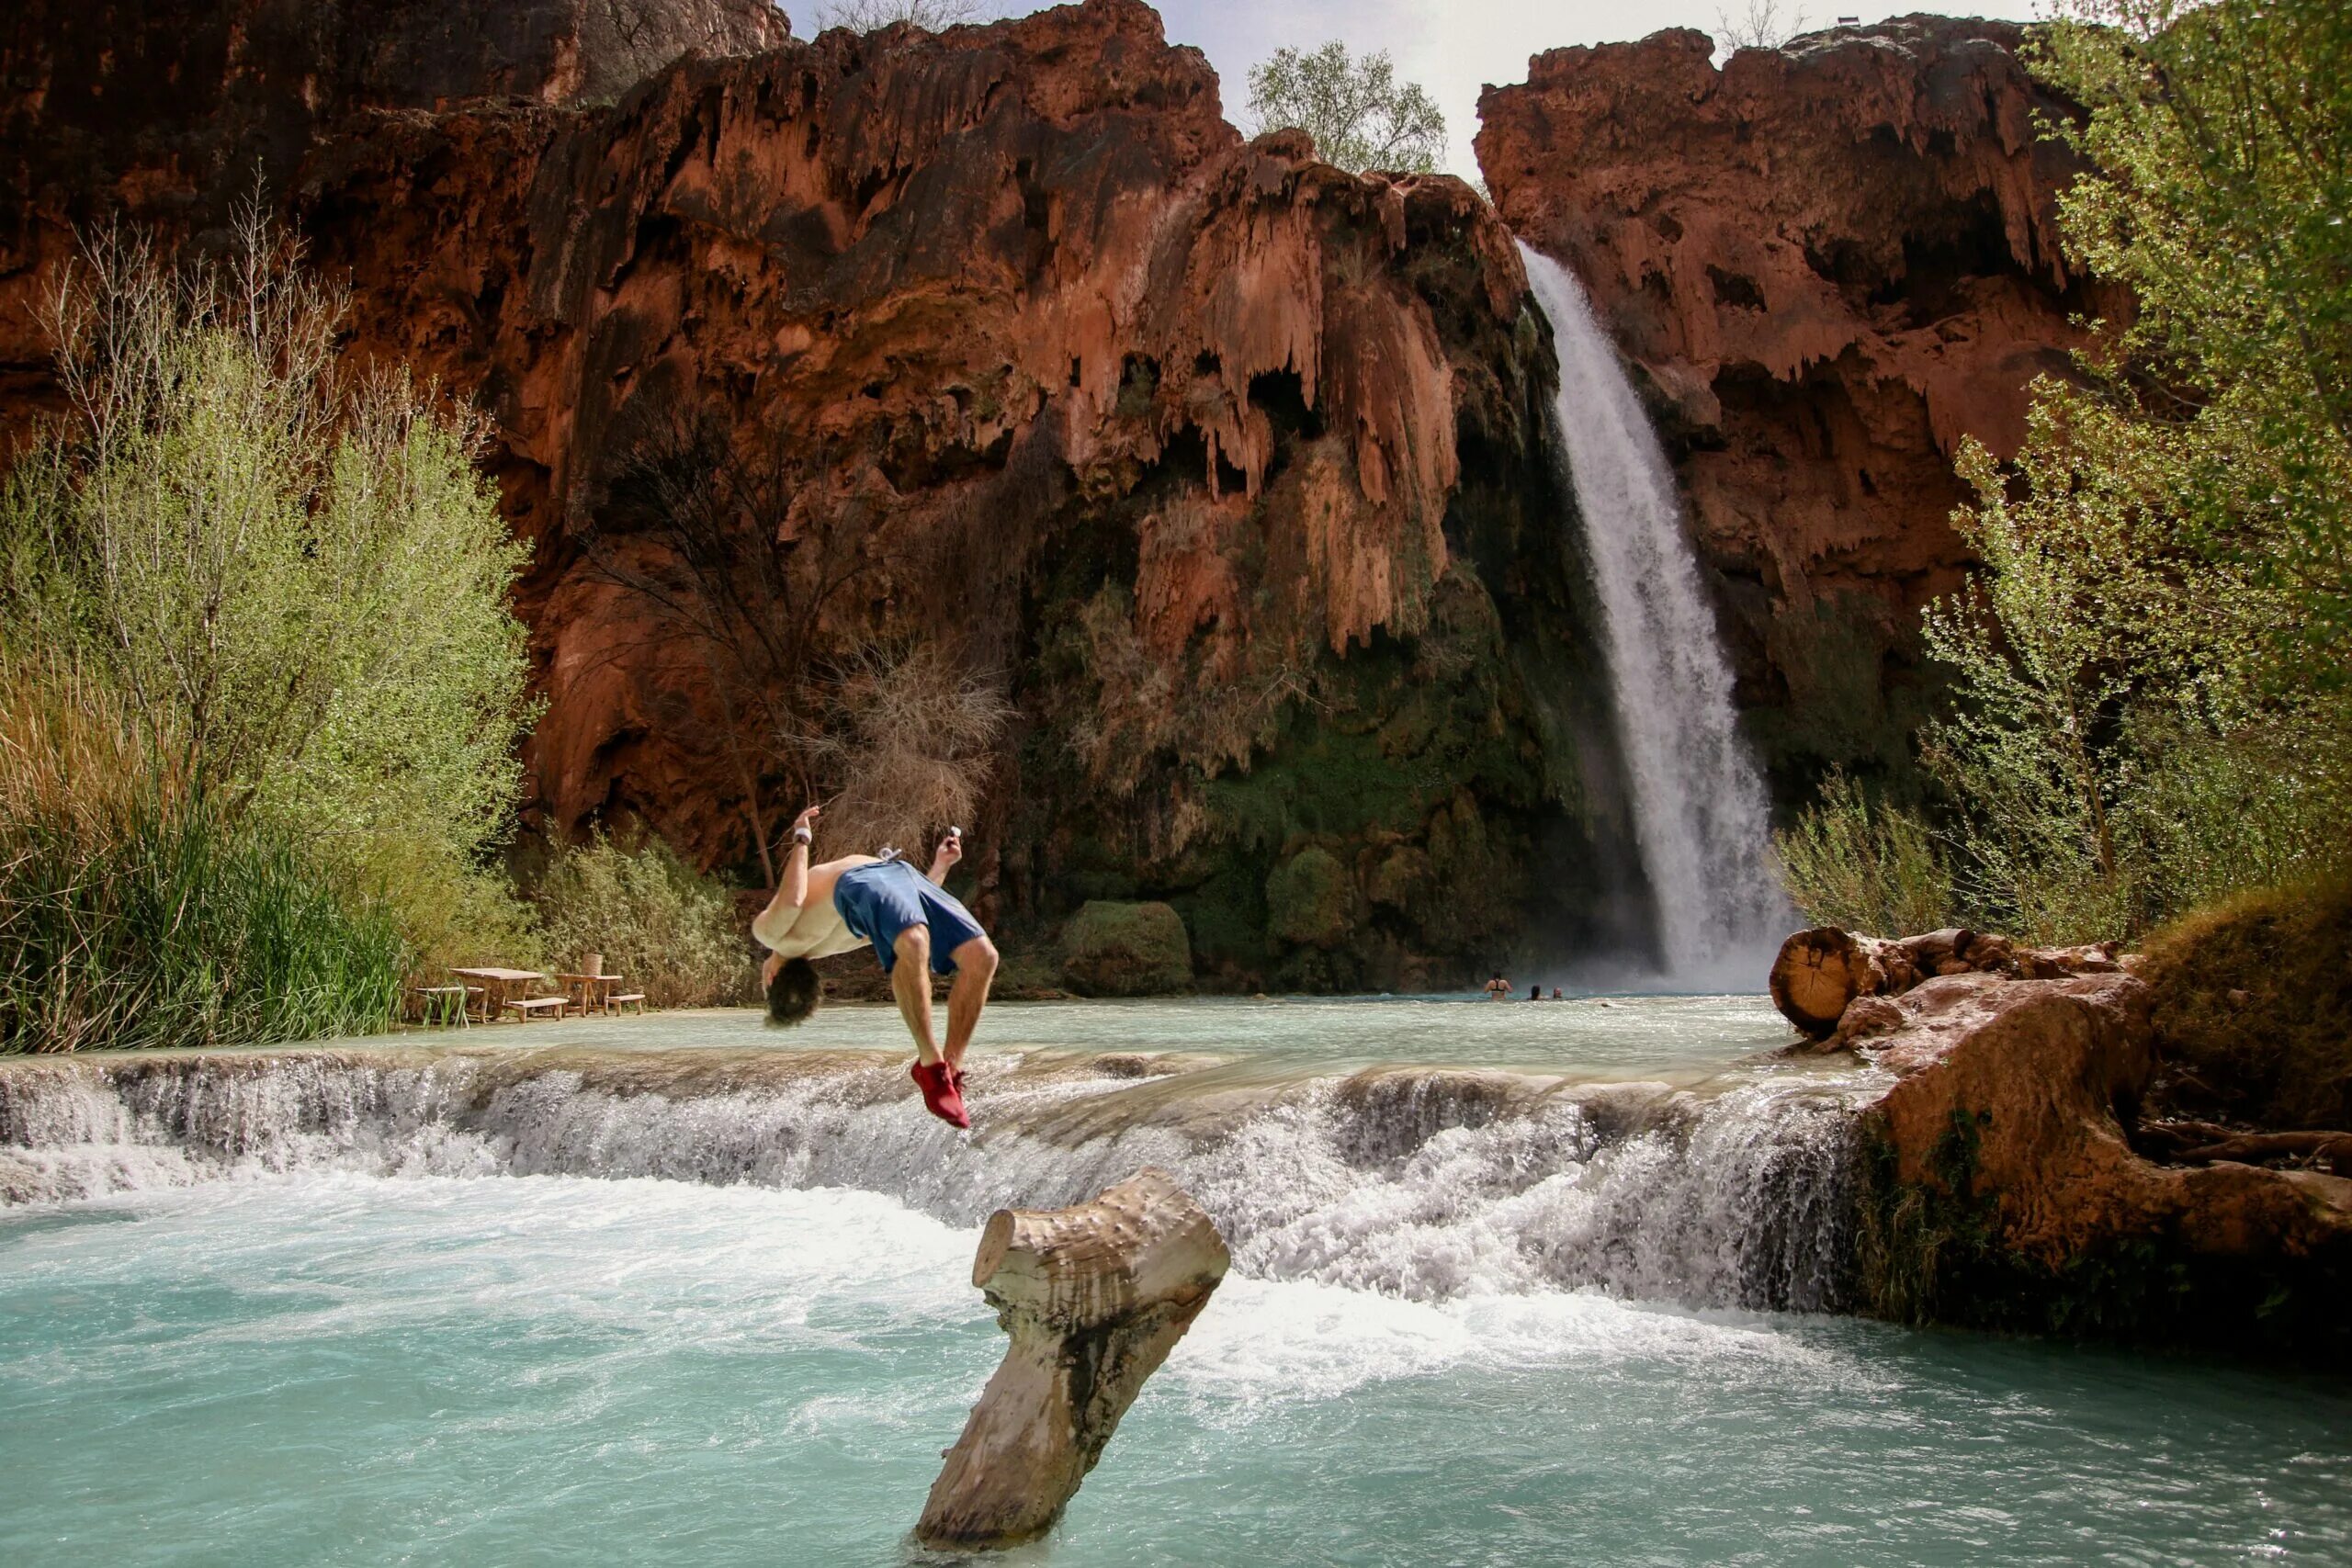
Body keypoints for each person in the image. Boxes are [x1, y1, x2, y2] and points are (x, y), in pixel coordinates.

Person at [750, 804, 999, 1129]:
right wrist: (800, 837)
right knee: (915, 943)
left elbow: (904, 914)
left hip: (900, 874)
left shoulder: (839, 940)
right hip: (866, 877)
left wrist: (941, 865)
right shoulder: (772, 936)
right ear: (770, 977)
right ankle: (931, 1064)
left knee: (982, 957)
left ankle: (949, 1070)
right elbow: (793, 898)